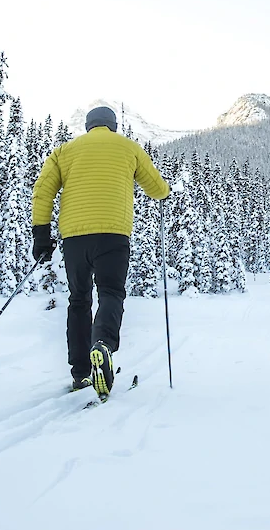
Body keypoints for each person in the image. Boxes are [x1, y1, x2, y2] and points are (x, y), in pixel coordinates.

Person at [31, 106, 170, 398]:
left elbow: (43, 191)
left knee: (79, 300)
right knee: (110, 293)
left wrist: (41, 237)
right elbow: (157, 188)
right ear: (113, 126)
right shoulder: (128, 147)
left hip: (75, 238)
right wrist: (165, 192)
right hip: (113, 235)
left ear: (88, 126)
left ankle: (81, 373)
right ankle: (104, 344)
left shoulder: (64, 152)